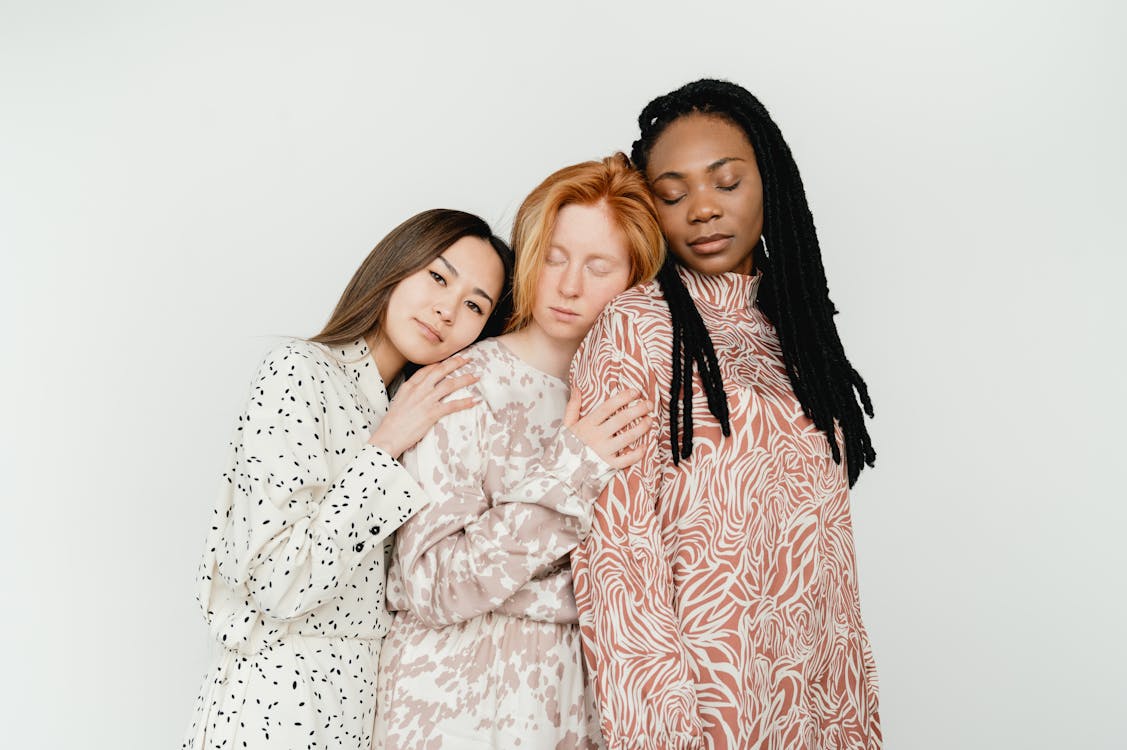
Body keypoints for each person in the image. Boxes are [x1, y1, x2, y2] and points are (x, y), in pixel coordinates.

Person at [570, 80, 882, 749]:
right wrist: (660, 729)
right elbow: (615, 555)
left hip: (804, 696)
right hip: (697, 702)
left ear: (769, 182)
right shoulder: (635, 327)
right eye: (673, 193)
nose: (702, 210)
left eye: (726, 182)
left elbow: (826, 563)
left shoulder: (798, 332)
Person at [182, 209, 515, 750]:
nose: (447, 310)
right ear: (395, 264)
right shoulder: (298, 372)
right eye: (438, 276)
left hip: (359, 713)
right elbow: (277, 585)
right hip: (271, 708)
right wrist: (384, 449)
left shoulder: (427, 419)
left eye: (475, 304)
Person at [373, 154, 665, 749]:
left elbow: (643, 587)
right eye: (554, 257)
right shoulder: (461, 382)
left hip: (570, 711)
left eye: (598, 265)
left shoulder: (637, 404)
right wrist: (573, 467)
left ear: (636, 279)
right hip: (449, 710)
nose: (568, 284)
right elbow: (428, 584)